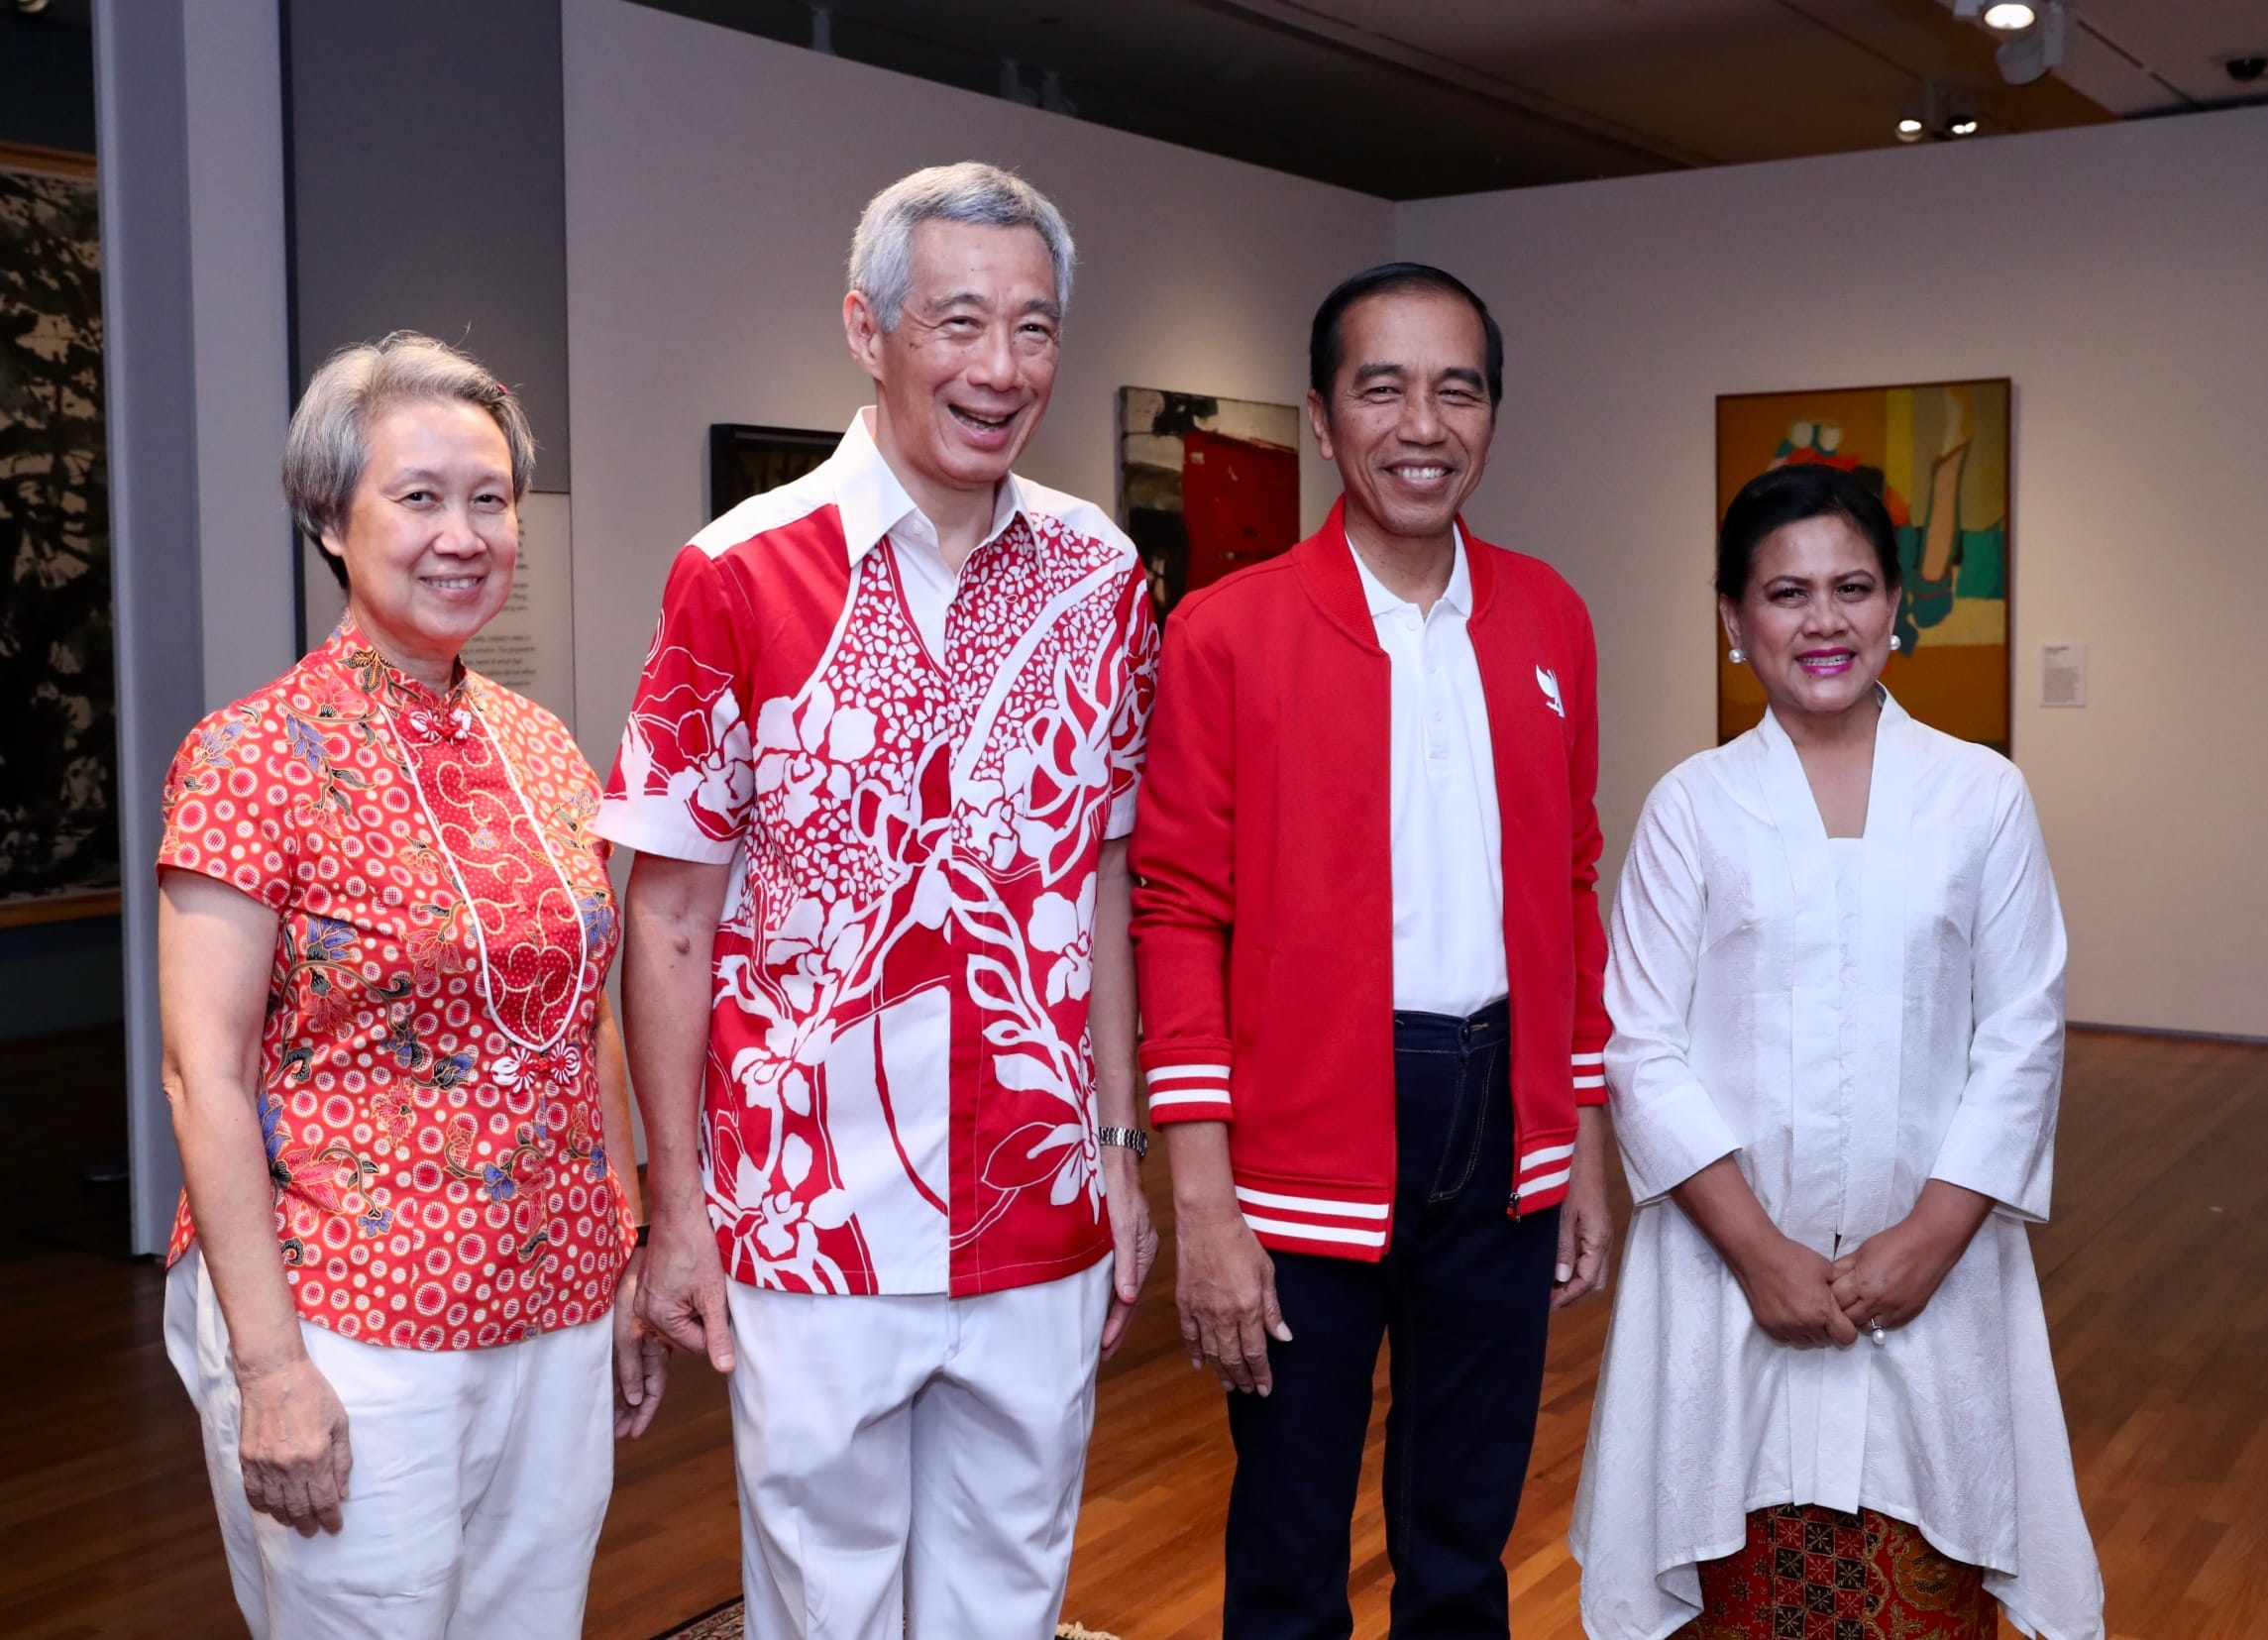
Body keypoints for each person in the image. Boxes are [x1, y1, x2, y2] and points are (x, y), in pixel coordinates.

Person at [597, 162, 1158, 1639]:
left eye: (1034, 328)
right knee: (823, 1602)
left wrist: (1120, 1148)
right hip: (809, 1214)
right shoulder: (737, 575)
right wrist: (675, 1210)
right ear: (868, 330)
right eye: (958, 322)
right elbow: (667, 919)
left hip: (1038, 1204)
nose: (1001, 367)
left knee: (1011, 1597)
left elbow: (1101, 873)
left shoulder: (1102, 575)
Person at [1130, 262, 1614, 1637]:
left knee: (1464, 1544)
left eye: (1457, 389)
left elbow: (1571, 883)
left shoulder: (1549, 616)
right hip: (1302, 1139)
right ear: (1322, 415)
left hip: (1500, 1122)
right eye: (1382, 387)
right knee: (1290, 1549)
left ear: (1493, 414)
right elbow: (1176, 911)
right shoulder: (1226, 632)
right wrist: (1204, 1202)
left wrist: (1578, 1137)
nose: (1422, 424)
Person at [158, 331, 665, 1639]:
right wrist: (271, 1365)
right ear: (332, 518)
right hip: (348, 1315)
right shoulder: (250, 756)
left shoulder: (543, 747)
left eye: (490, 499)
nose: (463, 534)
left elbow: (587, 1019)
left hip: (555, 1300)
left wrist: (621, 1246)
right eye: (420, 496)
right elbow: (202, 1072)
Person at [1569, 463, 2105, 1639]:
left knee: (1926, 1570)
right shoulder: (1693, 806)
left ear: (1896, 603)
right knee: (1736, 1579)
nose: (1824, 621)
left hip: (1935, 1288)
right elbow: (1642, 1044)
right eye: (1787, 592)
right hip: (1725, 1281)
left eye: (1852, 587)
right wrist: (1761, 1253)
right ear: (1732, 616)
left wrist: (1931, 1237)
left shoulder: (1981, 796)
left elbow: (2022, 1032)